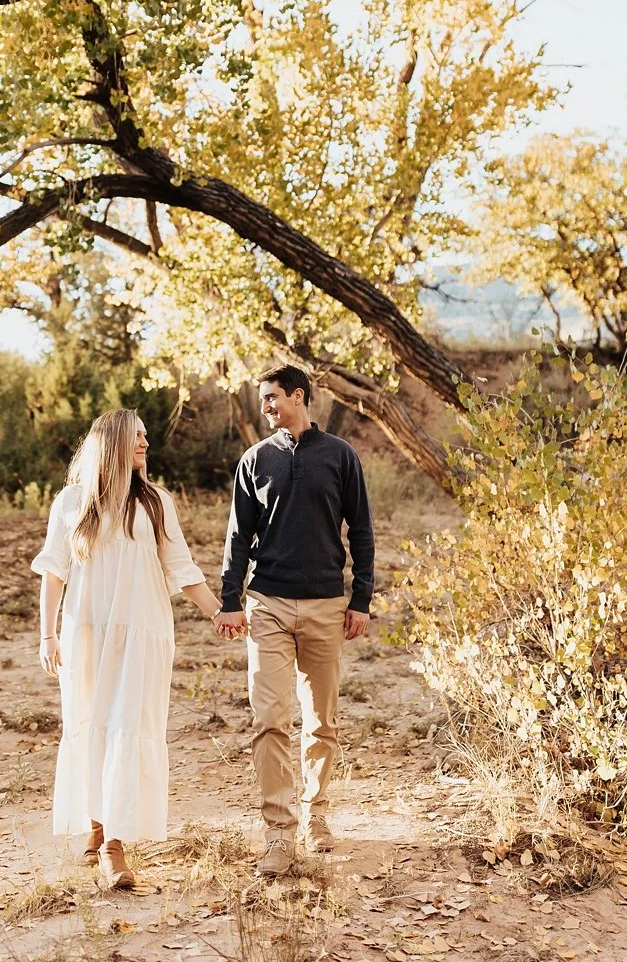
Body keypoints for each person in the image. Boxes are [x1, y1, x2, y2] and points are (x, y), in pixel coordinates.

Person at [34, 409, 223, 890]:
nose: (145, 443)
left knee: (128, 725)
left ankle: (113, 845)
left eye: (146, 436)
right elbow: (54, 571)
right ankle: (96, 826)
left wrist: (219, 613)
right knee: (89, 722)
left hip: (142, 631)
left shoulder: (156, 502)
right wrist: (47, 634)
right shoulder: (72, 501)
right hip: (87, 632)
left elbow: (181, 568)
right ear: (113, 441)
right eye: (137, 436)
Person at [216, 364, 376, 877]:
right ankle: (279, 834)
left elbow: (361, 530)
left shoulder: (340, 455)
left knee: (322, 720)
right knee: (270, 719)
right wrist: (230, 599)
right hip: (268, 603)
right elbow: (238, 536)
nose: (265, 406)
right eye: (262, 398)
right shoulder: (255, 459)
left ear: (298, 396)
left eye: (272, 397)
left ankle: (317, 813)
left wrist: (361, 599)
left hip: (327, 604)